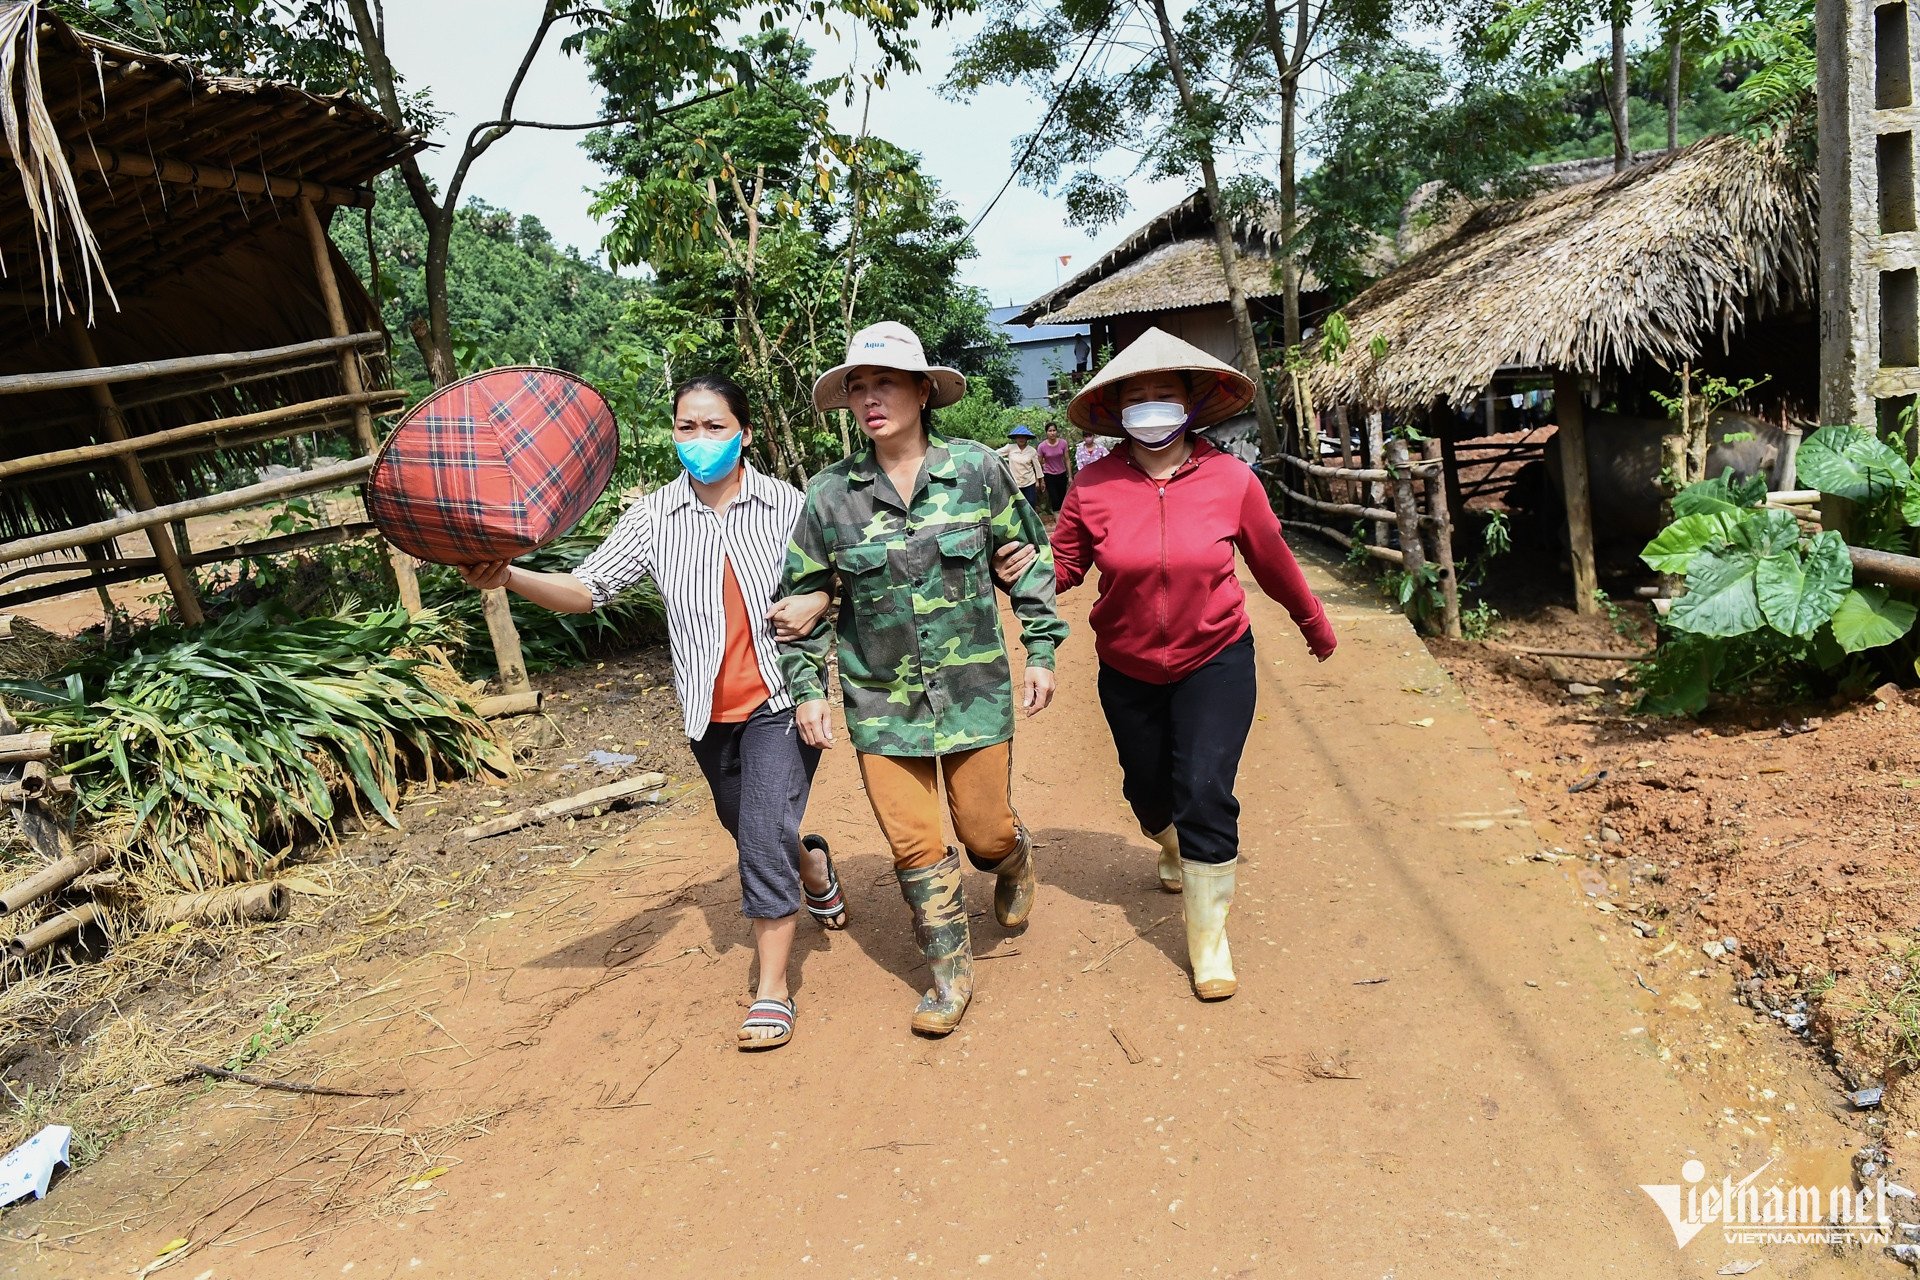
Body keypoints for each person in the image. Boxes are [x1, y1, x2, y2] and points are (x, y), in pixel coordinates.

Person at [456, 374, 843, 1053]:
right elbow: (588, 588)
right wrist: (509, 575)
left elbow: (838, 574)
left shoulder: (788, 505)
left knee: (757, 834)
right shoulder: (653, 516)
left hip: (780, 698)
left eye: (715, 427)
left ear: (745, 433)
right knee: (753, 826)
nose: (699, 441)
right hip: (706, 711)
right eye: (686, 428)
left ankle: (772, 989)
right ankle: (811, 865)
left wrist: (820, 598)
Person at [994, 328, 1337, 1002]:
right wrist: (1016, 574)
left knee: (1205, 787)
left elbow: (1272, 561)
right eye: (1137, 398)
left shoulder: (1231, 480)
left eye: (1163, 395)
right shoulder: (1092, 485)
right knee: (1148, 793)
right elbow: (1063, 566)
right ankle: (1171, 842)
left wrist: (1312, 622)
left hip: (1216, 658)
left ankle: (1208, 939)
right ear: (1118, 413)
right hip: (1128, 667)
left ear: (1189, 403)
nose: (1151, 407)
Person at [779, 321, 1067, 1037]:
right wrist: (809, 690)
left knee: (983, 831)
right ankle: (948, 974)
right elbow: (801, 603)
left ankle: (1014, 858)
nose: (870, 398)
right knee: (913, 843)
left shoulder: (976, 470)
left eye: (884, 383)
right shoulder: (828, 498)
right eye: (857, 387)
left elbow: (1026, 561)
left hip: (973, 692)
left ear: (920, 390)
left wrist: (1042, 650)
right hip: (881, 702)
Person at [999, 423, 1044, 512]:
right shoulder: (1010, 448)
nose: (1021, 439)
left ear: (1027, 438)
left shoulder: (1031, 451)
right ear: (1015, 438)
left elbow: (1037, 467)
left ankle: (1031, 524)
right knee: (1015, 506)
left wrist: (1040, 481)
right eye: (1019, 437)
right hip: (1014, 482)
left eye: (1023, 437)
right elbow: (995, 454)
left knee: (1030, 504)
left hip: (1029, 482)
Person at [1037, 422, 1072, 512]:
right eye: (1050, 431)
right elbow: (1039, 463)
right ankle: (1057, 517)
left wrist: (1070, 476)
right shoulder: (1042, 446)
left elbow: (1067, 459)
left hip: (1061, 473)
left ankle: (1064, 517)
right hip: (1049, 474)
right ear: (1046, 432)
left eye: (1054, 430)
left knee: (1062, 497)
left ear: (1056, 431)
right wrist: (1041, 480)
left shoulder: (1063, 443)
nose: (1052, 433)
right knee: (1054, 498)